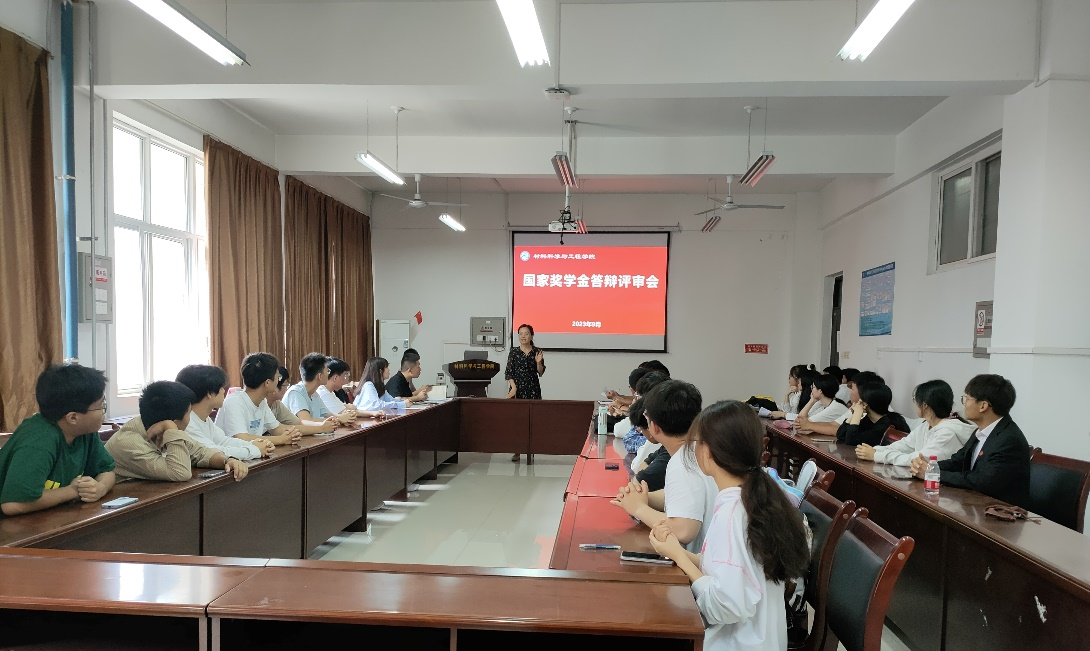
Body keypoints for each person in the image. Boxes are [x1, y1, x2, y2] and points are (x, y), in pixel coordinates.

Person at [648, 400, 809, 651]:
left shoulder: (734, 512)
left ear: (707, 452)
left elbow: (724, 607)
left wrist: (679, 556)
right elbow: (734, 569)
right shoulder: (754, 497)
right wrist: (675, 550)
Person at [611, 380, 714, 553]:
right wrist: (644, 497)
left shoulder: (682, 462)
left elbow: (683, 530)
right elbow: (682, 496)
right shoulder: (701, 448)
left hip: (702, 562)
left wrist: (639, 508)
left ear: (654, 426)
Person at [0, 364, 116, 517]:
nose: (103, 412)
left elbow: (107, 470)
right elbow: (12, 505)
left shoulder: (84, 431)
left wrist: (100, 488)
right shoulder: (39, 440)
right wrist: (73, 491)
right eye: (101, 406)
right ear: (73, 417)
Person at [910, 374, 1031, 507]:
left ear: (983, 406)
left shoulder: (1008, 440)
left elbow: (980, 482)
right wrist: (929, 467)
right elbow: (958, 461)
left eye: (967, 399)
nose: (964, 404)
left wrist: (932, 473)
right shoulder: (981, 431)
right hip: (976, 504)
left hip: (1000, 511)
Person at [106, 381, 248, 482]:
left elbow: (200, 452)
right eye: (189, 413)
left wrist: (227, 460)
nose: (190, 419)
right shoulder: (129, 442)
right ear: (174, 421)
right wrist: (171, 429)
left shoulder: (155, 423)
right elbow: (180, 472)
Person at [857, 379, 975, 467]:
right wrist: (875, 450)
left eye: (915, 400)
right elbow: (903, 445)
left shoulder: (947, 433)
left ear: (924, 405)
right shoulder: (925, 425)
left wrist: (876, 456)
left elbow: (917, 459)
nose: (914, 404)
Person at [176, 364, 270, 460]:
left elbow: (223, 441)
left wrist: (253, 444)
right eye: (221, 387)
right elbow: (214, 453)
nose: (223, 391)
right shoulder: (187, 423)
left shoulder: (204, 418)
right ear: (209, 393)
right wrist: (255, 450)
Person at [215, 353, 302, 447]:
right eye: (278, 377)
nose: (278, 381)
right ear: (267, 383)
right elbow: (242, 438)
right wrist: (281, 439)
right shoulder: (234, 402)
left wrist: (292, 434)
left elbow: (276, 429)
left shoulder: (262, 401)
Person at [802, 370, 884, 437]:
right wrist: (809, 425)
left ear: (864, 391)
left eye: (852, 389)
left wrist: (810, 425)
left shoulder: (873, 411)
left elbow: (838, 431)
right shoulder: (856, 407)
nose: (850, 392)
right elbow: (834, 424)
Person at [283, 353, 353, 431]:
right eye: (328, 371)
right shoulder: (295, 392)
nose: (329, 374)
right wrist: (338, 419)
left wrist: (342, 417)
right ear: (319, 376)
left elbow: (329, 415)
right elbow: (306, 421)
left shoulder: (314, 394)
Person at [834, 382, 909, 445]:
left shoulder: (888, 425)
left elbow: (851, 441)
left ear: (866, 404)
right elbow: (841, 435)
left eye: (860, 399)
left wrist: (857, 414)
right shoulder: (870, 420)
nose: (858, 402)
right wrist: (853, 415)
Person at [621, 370, 670, 453]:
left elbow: (627, 439)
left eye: (638, 396)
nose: (635, 399)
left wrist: (634, 410)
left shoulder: (658, 433)